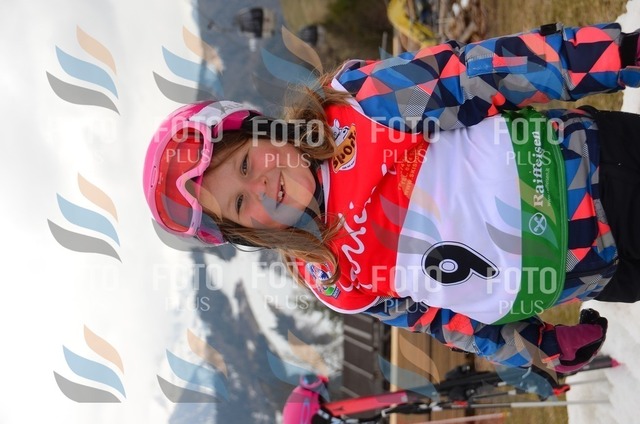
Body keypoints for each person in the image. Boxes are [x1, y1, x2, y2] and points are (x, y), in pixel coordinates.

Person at [143, 22, 640, 374]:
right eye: (238, 204)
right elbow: (444, 320)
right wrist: (538, 347)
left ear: (259, 130)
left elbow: (479, 74)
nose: (261, 187)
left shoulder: (354, 107)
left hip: (600, 176)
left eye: (245, 164)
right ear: (247, 233)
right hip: (598, 271)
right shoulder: (331, 277)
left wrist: (607, 58)